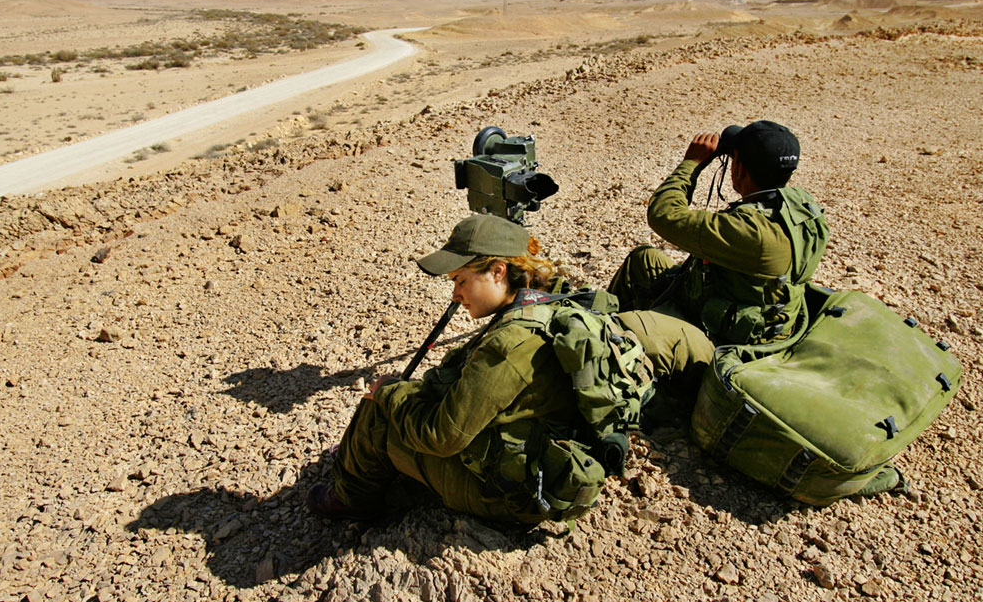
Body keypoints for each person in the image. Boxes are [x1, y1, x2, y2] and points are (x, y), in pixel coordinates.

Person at [307, 214, 713, 524]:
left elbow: (443, 435)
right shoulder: (550, 302)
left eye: (462, 280)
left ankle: (347, 500)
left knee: (380, 411)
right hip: (548, 459)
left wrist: (389, 393)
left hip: (517, 495)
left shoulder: (510, 342)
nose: (456, 294)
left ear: (498, 271)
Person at [609, 121, 829, 345]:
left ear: (740, 170)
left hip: (727, 340)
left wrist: (692, 163)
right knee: (644, 260)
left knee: (632, 326)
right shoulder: (801, 209)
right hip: (743, 305)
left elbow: (663, 214)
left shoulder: (750, 232)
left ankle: (607, 349)